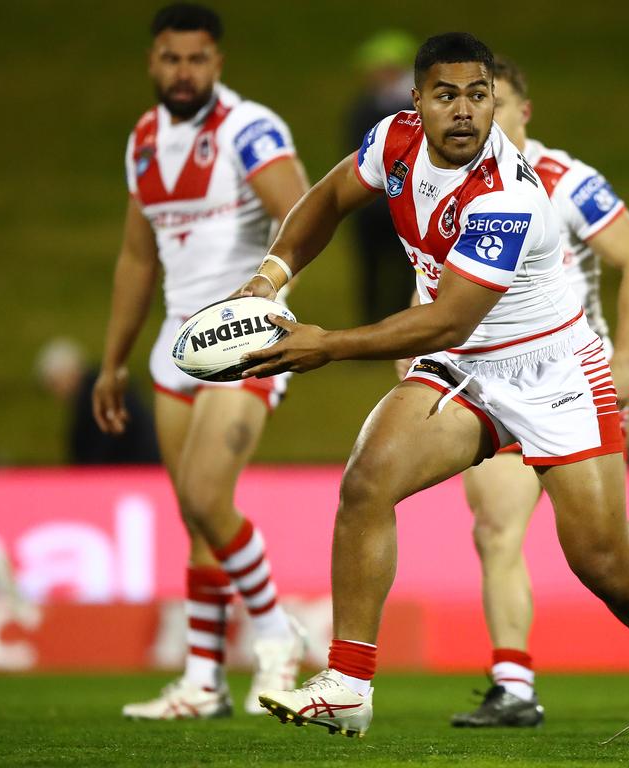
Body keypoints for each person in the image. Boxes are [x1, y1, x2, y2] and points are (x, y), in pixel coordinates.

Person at [240, 33, 629, 746]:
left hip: (551, 371)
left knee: (603, 562)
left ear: (496, 101)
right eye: (445, 94)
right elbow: (330, 197)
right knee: (367, 483)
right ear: (416, 102)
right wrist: (269, 278)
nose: (463, 111)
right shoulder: (394, 142)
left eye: (477, 95)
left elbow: (447, 317)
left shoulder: (509, 194)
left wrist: (327, 343)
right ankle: (348, 685)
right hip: (466, 369)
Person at [439, 56, 629, 729]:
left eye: (493, 104)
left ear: (523, 112)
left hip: (565, 383)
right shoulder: (455, 187)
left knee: (602, 550)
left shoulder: (565, 180)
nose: (477, 117)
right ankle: (513, 686)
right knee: (495, 528)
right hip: (491, 383)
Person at [92, 3, 310, 720]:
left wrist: (267, 298)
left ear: (217, 63)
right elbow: (133, 256)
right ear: (152, 62)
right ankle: (204, 681)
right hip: (173, 349)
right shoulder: (144, 142)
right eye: (169, 58)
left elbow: (302, 212)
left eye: (196, 59)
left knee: (208, 497)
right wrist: (112, 361)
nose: (182, 71)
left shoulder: (248, 129)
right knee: (196, 518)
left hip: (244, 343)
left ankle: (278, 641)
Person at [344, 30, 418, 323]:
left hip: (406, 204)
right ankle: (369, 324)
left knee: (407, 266)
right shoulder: (362, 109)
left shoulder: (415, 109)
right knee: (370, 268)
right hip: (369, 205)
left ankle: (402, 324)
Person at [36, 337, 160, 465]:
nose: (56, 393)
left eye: (54, 383)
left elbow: (100, 450)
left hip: (138, 469)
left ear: (70, 374)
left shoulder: (97, 399)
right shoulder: (102, 388)